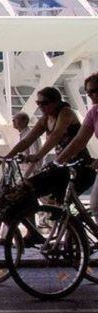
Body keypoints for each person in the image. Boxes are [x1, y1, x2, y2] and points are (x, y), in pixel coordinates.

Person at [4, 86, 95, 243]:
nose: (40, 106)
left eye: (44, 103)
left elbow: (55, 136)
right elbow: (27, 140)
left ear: (56, 102)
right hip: (61, 168)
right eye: (38, 103)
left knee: (59, 205)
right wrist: (7, 156)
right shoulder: (45, 119)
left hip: (78, 168)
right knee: (24, 191)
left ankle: (74, 241)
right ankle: (34, 233)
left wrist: (38, 156)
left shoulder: (66, 113)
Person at [53, 73, 98, 216]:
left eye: (94, 91)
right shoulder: (93, 113)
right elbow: (79, 141)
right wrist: (56, 162)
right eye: (87, 92)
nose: (90, 95)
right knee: (95, 204)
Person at [11, 112, 42, 177]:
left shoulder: (30, 135)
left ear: (24, 121)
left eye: (16, 119)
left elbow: (34, 158)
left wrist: (26, 176)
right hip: (26, 172)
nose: (13, 120)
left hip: (31, 174)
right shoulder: (23, 134)